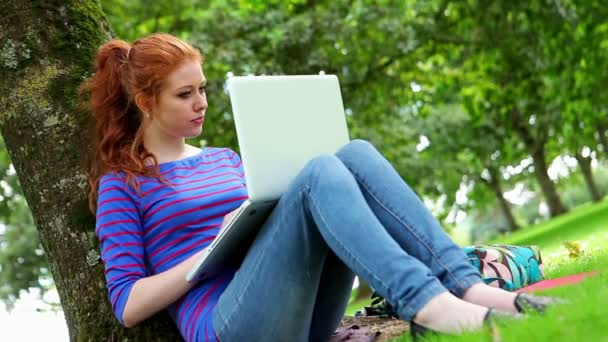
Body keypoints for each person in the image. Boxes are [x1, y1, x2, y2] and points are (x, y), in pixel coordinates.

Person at [83, 33, 559, 342]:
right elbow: (127, 304)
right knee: (316, 174)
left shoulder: (225, 159)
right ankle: (429, 306)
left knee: (352, 154)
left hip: (304, 313)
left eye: (203, 88)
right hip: (229, 326)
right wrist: (210, 250)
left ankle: (468, 290)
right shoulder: (123, 184)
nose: (201, 103)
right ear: (146, 101)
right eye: (184, 94)